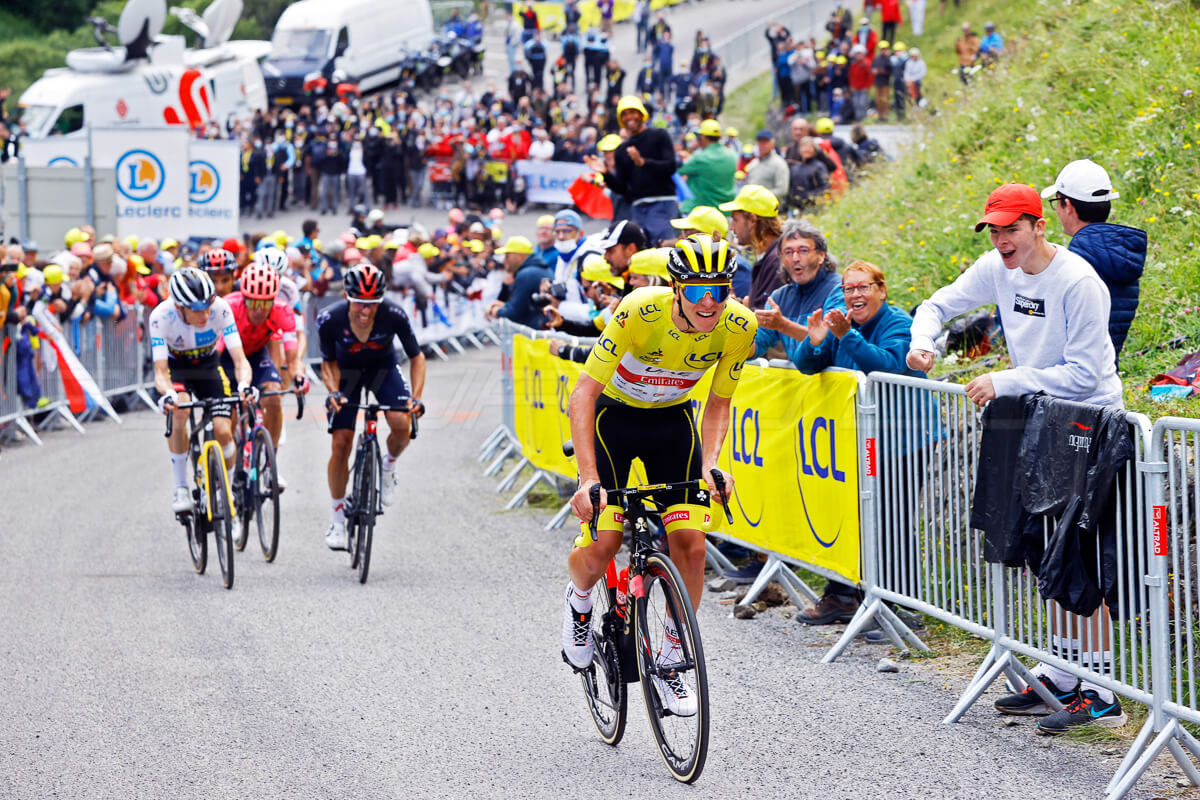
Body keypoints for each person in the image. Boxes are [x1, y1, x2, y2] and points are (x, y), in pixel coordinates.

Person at [907, 181, 1126, 733]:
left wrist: (1005, 379)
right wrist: (925, 342)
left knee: (1076, 553)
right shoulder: (995, 267)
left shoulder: (1078, 281)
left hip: (1089, 419)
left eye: (1012, 228)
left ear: (1039, 226)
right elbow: (936, 303)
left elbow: (1086, 374)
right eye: (995, 229)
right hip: (1035, 416)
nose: (1003, 240)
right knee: (1038, 547)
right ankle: (1062, 673)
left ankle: (1101, 688)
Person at [561, 235, 757, 717]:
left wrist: (712, 462)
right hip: (616, 420)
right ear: (675, 289)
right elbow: (583, 395)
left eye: (720, 289)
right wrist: (588, 479)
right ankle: (580, 601)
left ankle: (670, 659)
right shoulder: (638, 311)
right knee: (604, 542)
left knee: (691, 541)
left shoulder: (738, 327)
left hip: (673, 424)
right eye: (696, 291)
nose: (709, 301)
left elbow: (718, 402)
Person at [792, 260, 925, 617]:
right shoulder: (842, 326)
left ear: (881, 290)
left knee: (893, 519)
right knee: (849, 515)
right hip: (859, 440)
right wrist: (815, 340)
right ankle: (844, 596)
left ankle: (902, 606)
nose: (855, 295)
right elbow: (806, 364)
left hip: (903, 438)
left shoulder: (898, 323)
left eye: (863, 287)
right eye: (849, 288)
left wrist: (845, 336)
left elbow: (891, 366)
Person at [318, 264, 426, 550]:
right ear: (346, 296)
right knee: (341, 443)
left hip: (383, 370)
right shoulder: (330, 318)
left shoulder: (393, 314)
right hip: (346, 374)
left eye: (372, 305)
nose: (366, 311)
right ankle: (337, 520)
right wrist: (333, 392)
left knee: (402, 424)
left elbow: (417, 357)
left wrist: (416, 397)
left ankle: (388, 466)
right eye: (359, 304)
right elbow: (327, 364)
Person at [152, 268, 254, 514]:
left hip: (209, 367)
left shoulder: (221, 309)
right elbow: (160, 372)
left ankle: (226, 493)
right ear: (179, 307)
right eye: (197, 310)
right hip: (177, 370)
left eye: (207, 306)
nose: (205, 315)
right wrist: (168, 393)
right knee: (179, 412)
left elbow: (240, 360)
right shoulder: (161, 316)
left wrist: (244, 385)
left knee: (223, 430)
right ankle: (181, 487)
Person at [1041, 159, 1147, 365]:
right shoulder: (1120, 253)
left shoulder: (1077, 260)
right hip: (1106, 377)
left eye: (1057, 203)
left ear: (1068, 206)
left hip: (1071, 383)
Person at [220, 263, 308, 474]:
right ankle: (228, 469)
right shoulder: (228, 307)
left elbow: (293, 357)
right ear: (243, 297)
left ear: (273, 300)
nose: (259, 310)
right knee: (229, 414)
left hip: (257, 354)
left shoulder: (282, 310)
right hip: (227, 358)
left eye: (265, 304)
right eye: (252, 302)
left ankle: (270, 461)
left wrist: (298, 377)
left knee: (273, 396)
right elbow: (215, 353)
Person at [584, 96, 679, 246]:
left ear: (641, 114)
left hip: (662, 203)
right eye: (625, 114)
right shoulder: (622, 150)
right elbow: (622, 188)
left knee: (663, 248)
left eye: (632, 112)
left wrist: (643, 162)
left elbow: (670, 167)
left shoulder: (660, 136)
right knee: (638, 250)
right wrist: (606, 174)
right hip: (638, 207)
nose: (629, 117)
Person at [720, 184, 782, 310]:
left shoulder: (777, 259)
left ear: (752, 220)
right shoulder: (768, 254)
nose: (732, 228)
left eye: (735, 220)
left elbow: (766, 318)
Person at [484, 235, 552, 329]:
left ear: (519, 256)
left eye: (508, 256)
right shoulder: (535, 269)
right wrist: (504, 305)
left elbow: (515, 313)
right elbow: (525, 305)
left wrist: (496, 311)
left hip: (538, 336)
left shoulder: (526, 274)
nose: (505, 260)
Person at [677, 119, 738, 214]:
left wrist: (690, 151)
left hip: (701, 212)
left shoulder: (700, 157)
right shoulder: (732, 155)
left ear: (703, 137)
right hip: (725, 212)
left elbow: (678, 170)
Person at [744, 129, 790, 203]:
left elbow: (782, 190)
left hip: (769, 208)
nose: (762, 145)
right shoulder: (754, 163)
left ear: (772, 143)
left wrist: (760, 196)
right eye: (760, 142)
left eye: (765, 142)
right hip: (752, 207)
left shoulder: (779, 164)